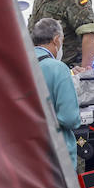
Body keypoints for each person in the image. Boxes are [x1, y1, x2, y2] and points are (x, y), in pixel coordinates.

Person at [31, 18, 81, 168]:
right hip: (56, 154)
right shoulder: (58, 68)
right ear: (56, 39)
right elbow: (70, 118)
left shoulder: (18, 65)